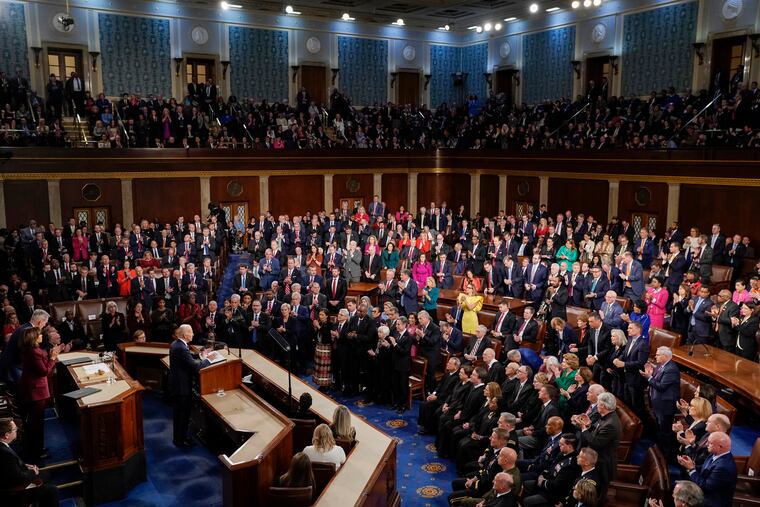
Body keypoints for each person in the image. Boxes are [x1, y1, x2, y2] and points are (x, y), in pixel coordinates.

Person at [19, 327, 59, 460]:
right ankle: (37, 452)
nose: (41, 336)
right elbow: (44, 372)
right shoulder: (34, 352)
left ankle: (36, 448)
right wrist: (53, 358)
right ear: (34, 338)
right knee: (37, 423)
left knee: (36, 422)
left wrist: (50, 357)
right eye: (39, 334)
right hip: (36, 391)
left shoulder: (31, 350)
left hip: (32, 389)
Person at [0, 418, 59, 507]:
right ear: (7, 435)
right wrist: (33, 472)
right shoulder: (4, 453)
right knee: (52, 490)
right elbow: (19, 478)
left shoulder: (3, 446)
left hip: (10, 480)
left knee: (46, 475)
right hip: (14, 492)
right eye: (15, 429)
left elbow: (9, 467)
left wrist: (23, 466)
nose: (17, 431)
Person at [169, 324, 211, 448]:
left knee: (180, 415)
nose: (193, 334)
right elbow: (196, 367)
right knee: (182, 415)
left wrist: (200, 355)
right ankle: (180, 441)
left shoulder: (177, 344)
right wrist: (208, 360)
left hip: (177, 385)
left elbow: (187, 358)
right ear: (185, 334)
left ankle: (181, 437)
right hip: (182, 388)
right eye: (191, 332)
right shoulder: (181, 348)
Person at [678, 432, 737, 507]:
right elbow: (704, 468)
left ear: (720, 446)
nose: (706, 444)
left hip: (711, 502)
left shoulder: (723, 467)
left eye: (710, 443)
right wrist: (691, 465)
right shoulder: (714, 454)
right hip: (705, 493)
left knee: (680, 497)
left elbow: (705, 487)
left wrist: (691, 469)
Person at [642, 346, 681, 458]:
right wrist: (651, 373)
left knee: (665, 431)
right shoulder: (662, 366)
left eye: (658, 354)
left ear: (665, 356)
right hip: (658, 403)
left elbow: (662, 386)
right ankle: (660, 450)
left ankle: (665, 455)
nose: (655, 356)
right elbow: (657, 379)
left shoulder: (671, 369)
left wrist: (649, 377)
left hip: (665, 406)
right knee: (660, 429)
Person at [576, 392, 621, 486]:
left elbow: (595, 443)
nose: (596, 406)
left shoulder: (611, 424)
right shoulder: (607, 417)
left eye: (598, 404)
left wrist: (583, 428)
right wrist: (589, 425)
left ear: (603, 406)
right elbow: (598, 431)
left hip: (602, 463)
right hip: (597, 458)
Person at [312, 309, 333, 390]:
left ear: (327, 316)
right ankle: (320, 383)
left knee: (324, 368)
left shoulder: (329, 324)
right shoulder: (319, 323)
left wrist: (318, 326)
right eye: (319, 314)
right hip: (319, 347)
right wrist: (315, 327)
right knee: (319, 367)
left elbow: (326, 335)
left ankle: (326, 384)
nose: (320, 316)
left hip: (326, 349)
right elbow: (316, 335)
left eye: (322, 315)